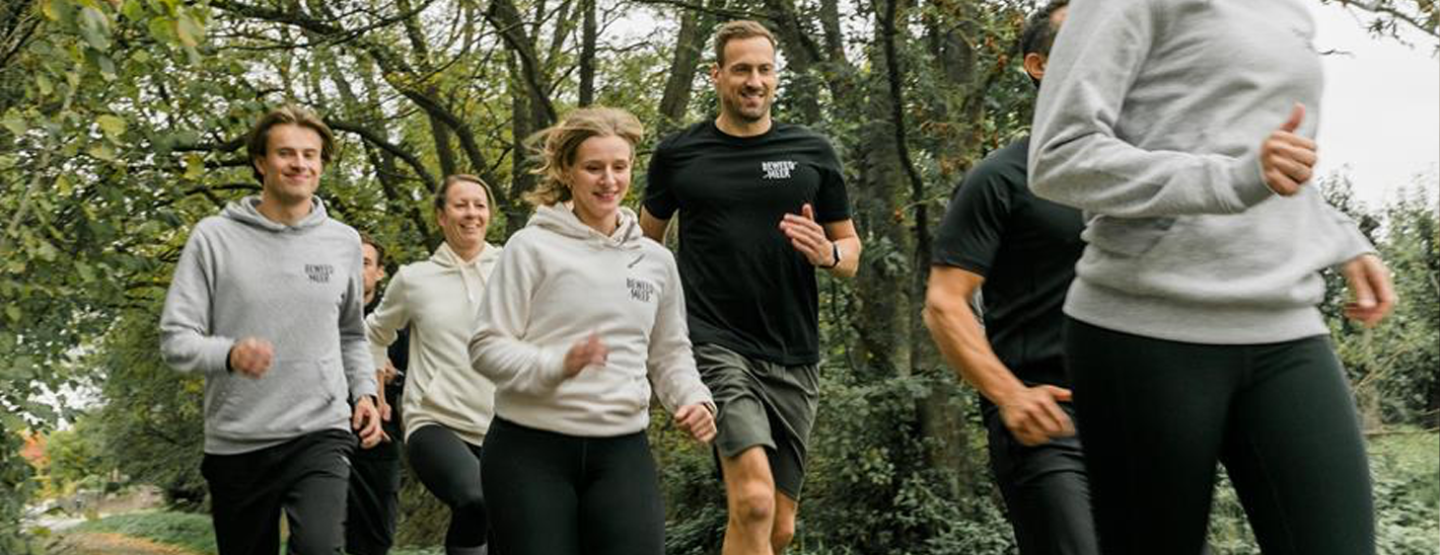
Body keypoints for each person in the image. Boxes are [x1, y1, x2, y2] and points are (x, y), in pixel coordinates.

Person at [1028, 1, 1397, 553]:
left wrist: (1342, 238)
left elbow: (1270, 157)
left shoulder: (1285, 11)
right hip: (1144, 328)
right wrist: (1231, 180)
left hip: (1284, 322)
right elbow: (1059, 157)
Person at [639, 19, 863, 555]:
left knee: (777, 525)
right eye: (742, 69)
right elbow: (643, 248)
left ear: (775, 77)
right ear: (717, 75)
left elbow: (851, 252)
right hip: (714, 343)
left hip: (793, 351)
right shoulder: (680, 155)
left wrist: (827, 254)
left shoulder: (812, 151)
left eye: (764, 69)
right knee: (755, 500)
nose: (754, 80)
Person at [469, 106, 717, 555]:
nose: (608, 181)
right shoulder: (531, 248)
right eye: (593, 168)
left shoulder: (655, 261)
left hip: (621, 451)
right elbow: (486, 348)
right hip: (530, 450)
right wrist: (556, 363)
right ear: (566, 171)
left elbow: (669, 354)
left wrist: (693, 399)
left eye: (619, 167)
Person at [159, 104, 382, 555]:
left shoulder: (342, 242)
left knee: (321, 548)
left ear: (322, 164)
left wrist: (364, 393)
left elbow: (351, 334)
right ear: (261, 162)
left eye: (311, 155)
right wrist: (229, 353)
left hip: (321, 428)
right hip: (239, 438)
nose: (300, 164)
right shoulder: (214, 238)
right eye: (286, 153)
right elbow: (175, 339)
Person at [923, 3, 1098, 554]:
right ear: (1038, 64)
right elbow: (944, 306)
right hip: (1048, 425)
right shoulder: (999, 179)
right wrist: (1010, 396)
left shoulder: (1143, 170)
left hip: (1141, 417)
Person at [365, 175, 503, 555]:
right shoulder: (414, 280)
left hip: (505, 424)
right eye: (461, 205)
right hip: (435, 421)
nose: (471, 214)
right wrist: (375, 394)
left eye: (479, 205)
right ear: (441, 216)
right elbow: (373, 335)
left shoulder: (512, 266)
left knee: (510, 526)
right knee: (475, 498)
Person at [346, 233, 411, 555]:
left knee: (374, 539)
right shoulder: (322, 315)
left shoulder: (399, 322)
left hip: (381, 441)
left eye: (365, 262)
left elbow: (421, 376)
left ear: (379, 272)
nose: (356, 269)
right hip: (325, 435)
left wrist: (393, 376)